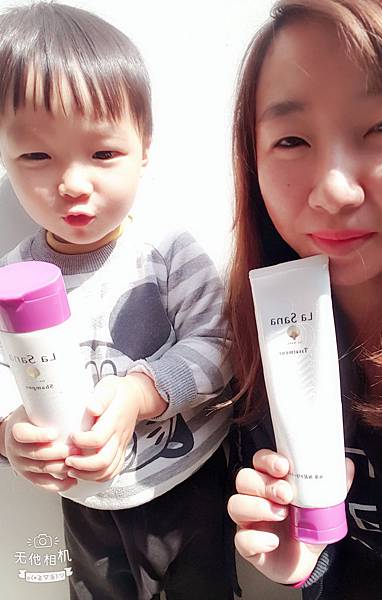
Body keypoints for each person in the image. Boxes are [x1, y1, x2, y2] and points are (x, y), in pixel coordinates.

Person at [0, 3, 234, 599]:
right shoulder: (13, 278)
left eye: (103, 154)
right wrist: (9, 431)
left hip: (186, 483)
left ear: (143, 149)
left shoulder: (168, 251)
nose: (73, 184)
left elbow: (221, 346)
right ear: (5, 156)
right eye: (36, 156)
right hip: (86, 503)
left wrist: (139, 393)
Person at [226, 1, 382, 599]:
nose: (332, 190)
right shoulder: (266, 329)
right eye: (291, 139)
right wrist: (304, 557)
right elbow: (341, 561)